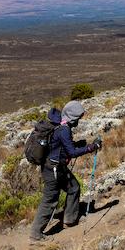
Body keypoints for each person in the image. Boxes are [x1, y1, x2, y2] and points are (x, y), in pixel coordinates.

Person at [31, 101, 101, 241]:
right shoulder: (64, 130)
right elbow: (72, 152)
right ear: (72, 117)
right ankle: (36, 234)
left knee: (74, 188)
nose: (79, 121)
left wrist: (79, 144)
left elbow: (62, 147)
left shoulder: (62, 126)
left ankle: (70, 220)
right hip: (54, 170)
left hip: (57, 167)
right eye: (78, 118)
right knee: (50, 199)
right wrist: (90, 147)